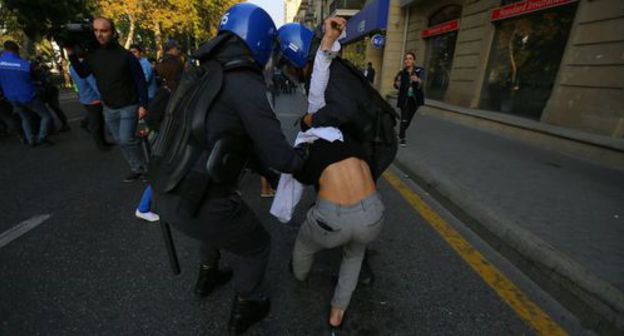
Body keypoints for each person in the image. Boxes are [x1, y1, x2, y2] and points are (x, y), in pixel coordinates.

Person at [151, 4, 307, 335]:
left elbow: (229, 137)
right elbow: (280, 154)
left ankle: (207, 275)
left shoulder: (199, 73)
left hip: (164, 189)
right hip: (196, 196)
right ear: (260, 42)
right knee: (257, 245)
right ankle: (246, 307)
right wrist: (303, 163)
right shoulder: (244, 84)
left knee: (211, 224)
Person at [275, 19, 387, 332]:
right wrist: (327, 42)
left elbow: (297, 182)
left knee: (304, 243)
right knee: (354, 255)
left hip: (331, 221)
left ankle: (299, 275)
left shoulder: (310, 144)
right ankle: (337, 315)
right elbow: (319, 88)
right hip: (374, 214)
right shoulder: (349, 137)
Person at [66, 17, 149, 182]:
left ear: (112, 32)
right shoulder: (93, 56)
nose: (99, 34)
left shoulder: (126, 56)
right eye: (96, 31)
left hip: (129, 105)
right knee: (121, 141)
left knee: (126, 139)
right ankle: (137, 168)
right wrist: (71, 54)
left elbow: (140, 81)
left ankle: (147, 169)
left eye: (103, 31)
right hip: (109, 107)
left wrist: (143, 105)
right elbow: (82, 73)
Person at [0, 41, 54, 146]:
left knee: (25, 117)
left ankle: (31, 140)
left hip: (11, 97)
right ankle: (41, 137)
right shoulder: (25, 64)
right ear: (16, 50)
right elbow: (37, 77)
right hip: (28, 95)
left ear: (5, 49)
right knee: (46, 116)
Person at [69, 51, 112, 151]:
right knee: (97, 123)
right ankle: (101, 145)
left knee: (96, 122)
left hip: (85, 97)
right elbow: (94, 84)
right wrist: (105, 97)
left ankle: (102, 143)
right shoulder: (85, 66)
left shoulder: (73, 66)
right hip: (93, 98)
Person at [393, 52, 425, 147]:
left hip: (415, 100)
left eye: (410, 58)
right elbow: (396, 84)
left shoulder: (420, 70)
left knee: (409, 119)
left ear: (414, 60)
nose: (408, 60)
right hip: (404, 99)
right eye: (406, 58)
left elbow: (423, 83)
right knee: (404, 118)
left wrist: (418, 80)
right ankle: (402, 138)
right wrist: (397, 83)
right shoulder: (401, 73)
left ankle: (400, 133)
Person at [32, 59, 71, 132]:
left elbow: (46, 81)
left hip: (49, 91)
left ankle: (60, 124)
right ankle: (59, 125)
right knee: (53, 109)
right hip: (49, 91)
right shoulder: (39, 72)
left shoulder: (39, 72)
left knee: (53, 108)